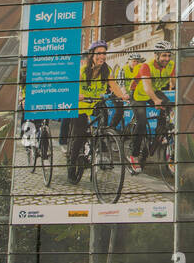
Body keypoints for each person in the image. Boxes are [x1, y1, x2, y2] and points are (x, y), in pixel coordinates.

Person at [67, 40, 130, 182]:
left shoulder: (106, 70)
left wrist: (122, 95)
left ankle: (99, 150)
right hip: (81, 105)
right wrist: (76, 95)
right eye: (99, 53)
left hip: (95, 105)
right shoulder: (82, 70)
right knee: (80, 135)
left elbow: (113, 85)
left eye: (104, 53)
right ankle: (72, 165)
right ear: (92, 55)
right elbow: (71, 86)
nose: (102, 56)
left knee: (102, 123)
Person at [128, 40, 175, 172]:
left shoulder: (171, 65)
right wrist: (155, 100)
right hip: (138, 92)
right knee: (142, 122)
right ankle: (134, 155)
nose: (166, 58)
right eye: (163, 55)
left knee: (167, 111)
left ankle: (157, 138)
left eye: (168, 55)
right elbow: (147, 87)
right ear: (156, 55)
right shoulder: (146, 66)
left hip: (154, 90)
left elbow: (175, 83)